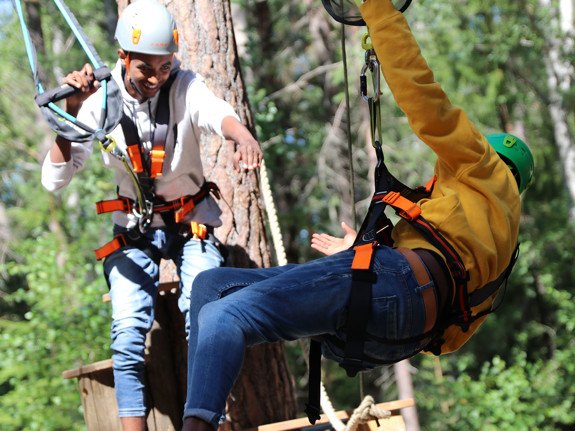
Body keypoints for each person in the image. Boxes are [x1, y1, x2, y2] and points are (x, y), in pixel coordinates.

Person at [181, 0, 534, 429]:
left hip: (396, 288)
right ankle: (204, 407)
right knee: (211, 284)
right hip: (399, 329)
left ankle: (197, 424)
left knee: (224, 313)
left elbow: (426, 102)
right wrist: (368, 259)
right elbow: (448, 330)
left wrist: (378, 11)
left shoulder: (483, 167)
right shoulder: (497, 237)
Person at [40, 0, 262, 429]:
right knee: (126, 336)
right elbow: (54, 180)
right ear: (123, 57)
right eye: (145, 69)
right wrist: (69, 115)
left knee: (206, 320)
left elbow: (218, 114)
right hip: (134, 230)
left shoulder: (184, 86)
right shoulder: (99, 99)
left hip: (191, 219)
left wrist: (243, 137)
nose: (156, 78)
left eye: (164, 66)